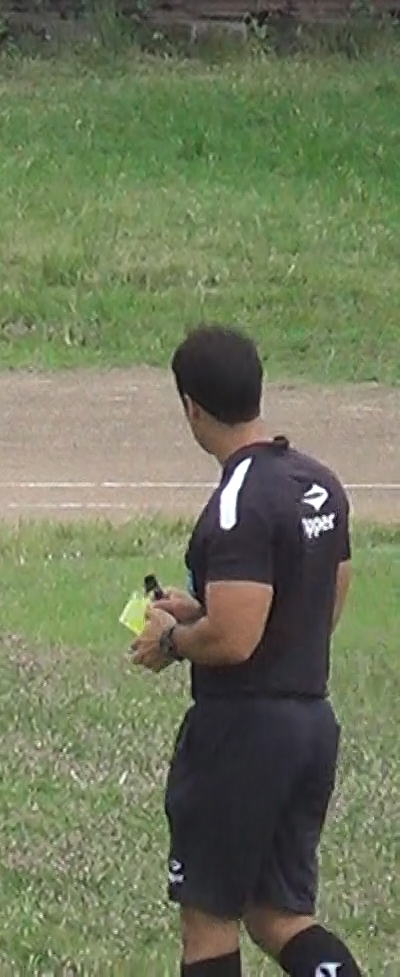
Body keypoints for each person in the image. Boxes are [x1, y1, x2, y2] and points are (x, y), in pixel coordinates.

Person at [130, 326, 363, 977]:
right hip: (310, 725)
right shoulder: (317, 484)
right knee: (278, 916)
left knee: (209, 921)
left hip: (241, 737)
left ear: (191, 408)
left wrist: (172, 641)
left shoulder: (238, 501)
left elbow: (233, 640)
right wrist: (208, 611)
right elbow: (322, 601)